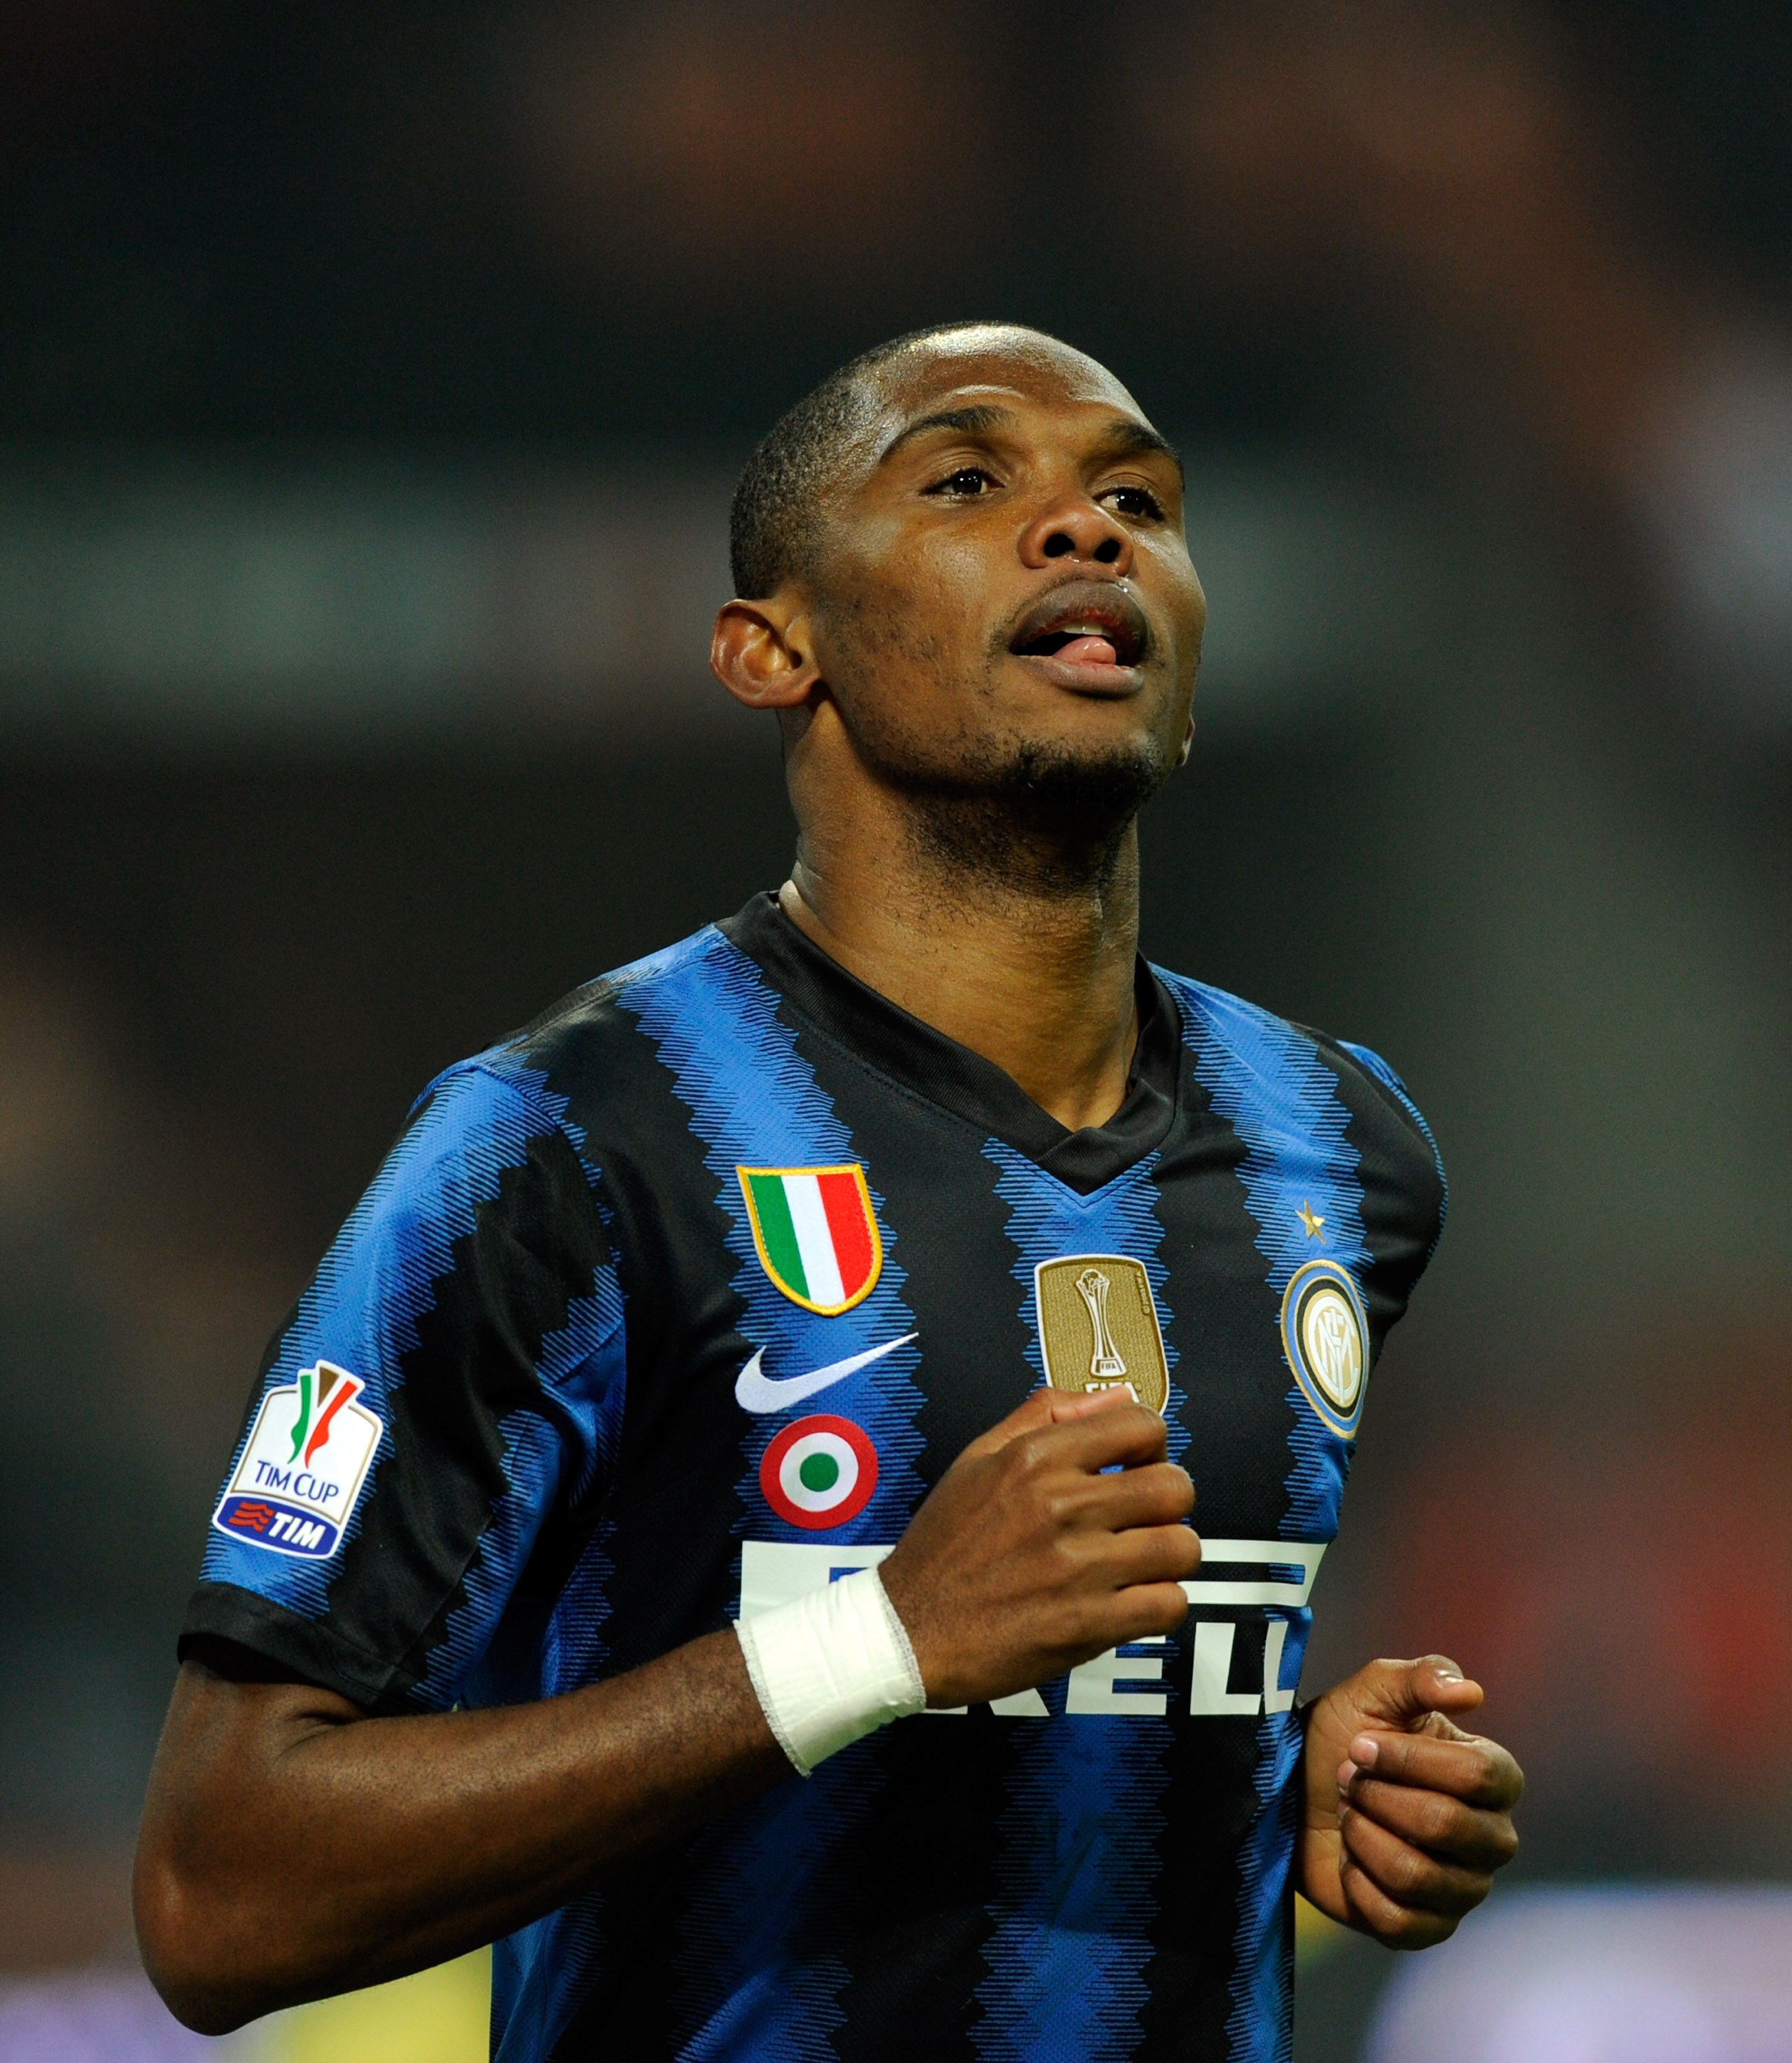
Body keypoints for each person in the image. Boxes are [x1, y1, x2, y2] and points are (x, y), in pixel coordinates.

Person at [135, 322, 1521, 2062]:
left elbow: (1108, 1699)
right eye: (964, 480)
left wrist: (1312, 1772)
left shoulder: (1339, 1148)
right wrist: (875, 1643)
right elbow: (218, 1890)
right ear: (770, 647)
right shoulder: (567, 1143)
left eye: (1137, 500)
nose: (1090, 531)